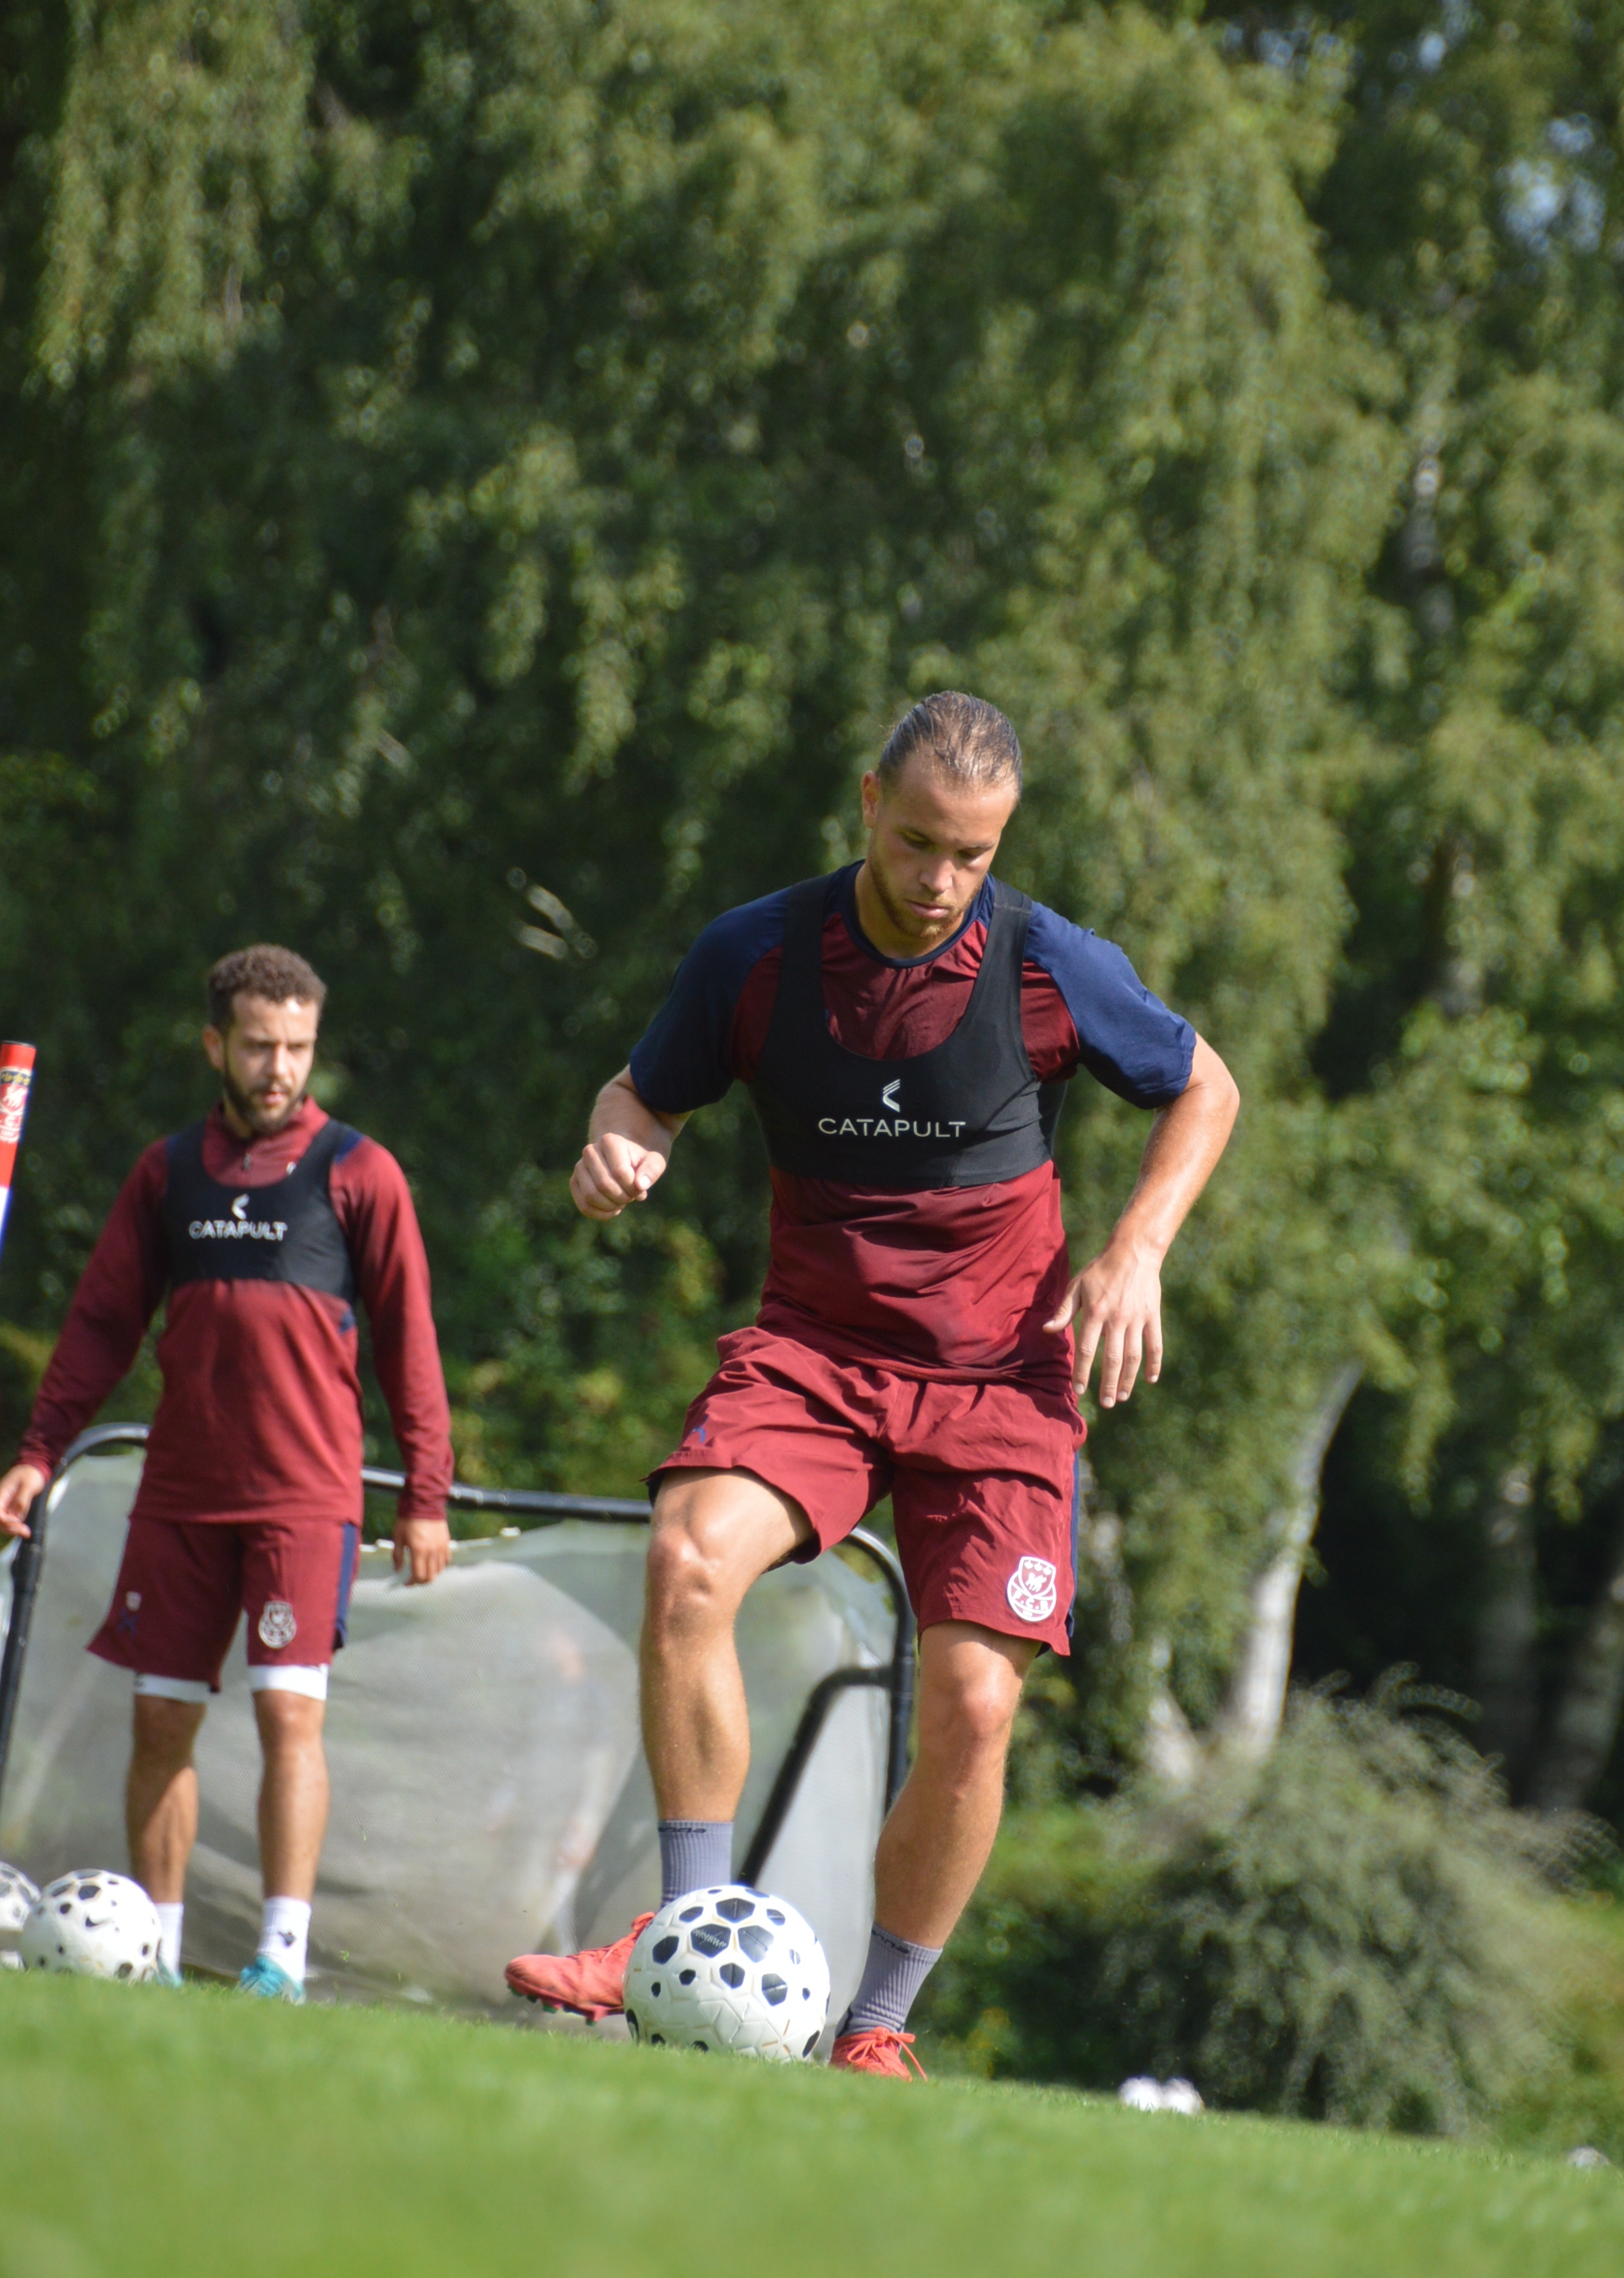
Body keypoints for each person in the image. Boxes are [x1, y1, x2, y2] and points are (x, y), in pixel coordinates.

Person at [506, 692, 1238, 2074]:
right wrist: (619, 1144)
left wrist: (1137, 1248)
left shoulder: (1049, 963)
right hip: (816, 1358)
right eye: (916, 844)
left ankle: (878, 2027)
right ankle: (681, 1934)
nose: (940, 881)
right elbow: (638, 1092)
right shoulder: (755, 954)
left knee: (974, 1705)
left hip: (1001, 1381)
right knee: (686, 1560)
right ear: (866, 804)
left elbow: (1207, 1087)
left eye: (972, 854)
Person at [0, 945, 454, 2000]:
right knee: (160, 1721)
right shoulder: (166, 1173)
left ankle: (278, 1959)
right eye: (256, 1045)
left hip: (306, 1500)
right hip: (181, 1497)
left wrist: (426, 1492)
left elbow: (408, 1343)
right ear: (215, 1044)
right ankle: (153, 1954)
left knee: (291, 1716)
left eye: (296, 1047)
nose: (277, 1067)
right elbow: (101, 1324)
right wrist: (39, 1451)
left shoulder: (360, 1172)